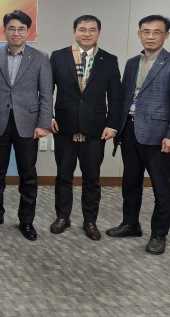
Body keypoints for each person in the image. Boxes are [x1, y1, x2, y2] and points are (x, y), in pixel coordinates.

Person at [107, 15, 170, 255]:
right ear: (139, 34)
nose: (150, 36)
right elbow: (125, 97)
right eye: (146, 32)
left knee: (160, 187)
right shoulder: (132, 62)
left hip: (158, 135)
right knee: (130, 182)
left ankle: (159, 234)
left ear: (166, 35)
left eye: (156, 32)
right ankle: (131, 224)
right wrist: (118, 128)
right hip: (130, 131)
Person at [49, 15, 122, 241]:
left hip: (95, 128)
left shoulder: (109, 60)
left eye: (92, 29)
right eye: (82, 29)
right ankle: (63, 216)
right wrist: (48, 116)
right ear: (74, 32)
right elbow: (46, 89)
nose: (87, 33)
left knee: (92, 178)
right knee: (63, 176)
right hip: (64, 126)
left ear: (98, 33)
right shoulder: (58, 56)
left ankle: (90, 220)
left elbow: (116, 97)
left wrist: (112, 125)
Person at [0, 9, 53, 241]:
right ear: (4, 31)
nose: (16, 33)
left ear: (28, 32)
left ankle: (26, 220)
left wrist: (43, 123)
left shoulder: (40, 57)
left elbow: (46, 94)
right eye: (11, 28)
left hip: (28, 124)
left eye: (21, 29)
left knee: (28, 175)